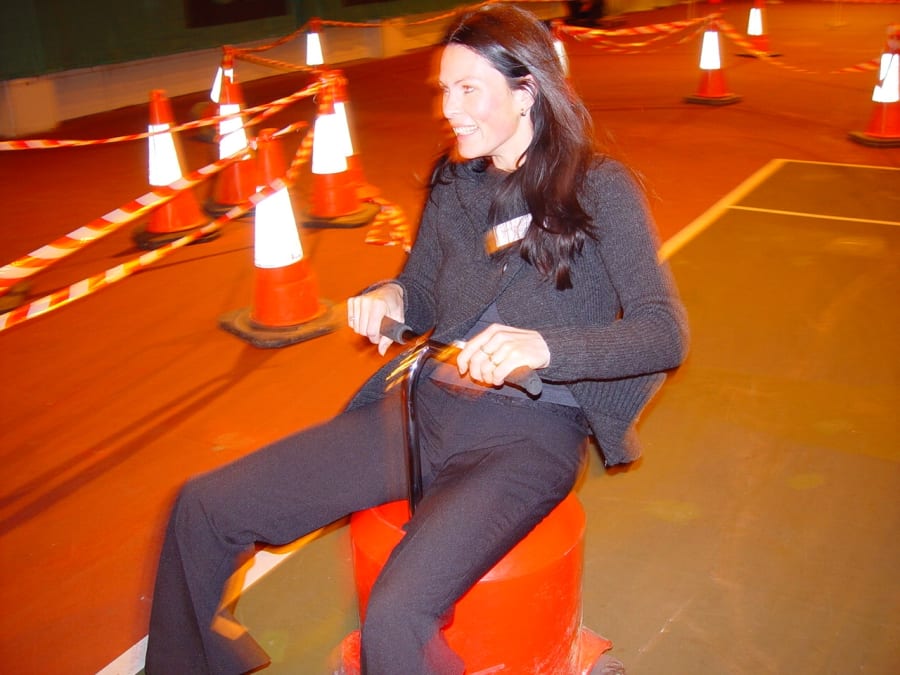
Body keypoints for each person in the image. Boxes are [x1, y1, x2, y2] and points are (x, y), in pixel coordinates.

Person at [144, 4, 688, 674]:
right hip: (422, 411)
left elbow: (664, 332)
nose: (449, 109)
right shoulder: (456, 182)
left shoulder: (599, 188)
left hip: (529, 436)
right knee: (204, 506)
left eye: (468, 89)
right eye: (444, 89)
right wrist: (390, 300)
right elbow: (421, 289)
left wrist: (544, 346)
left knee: (397, 612)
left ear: (526, 92)